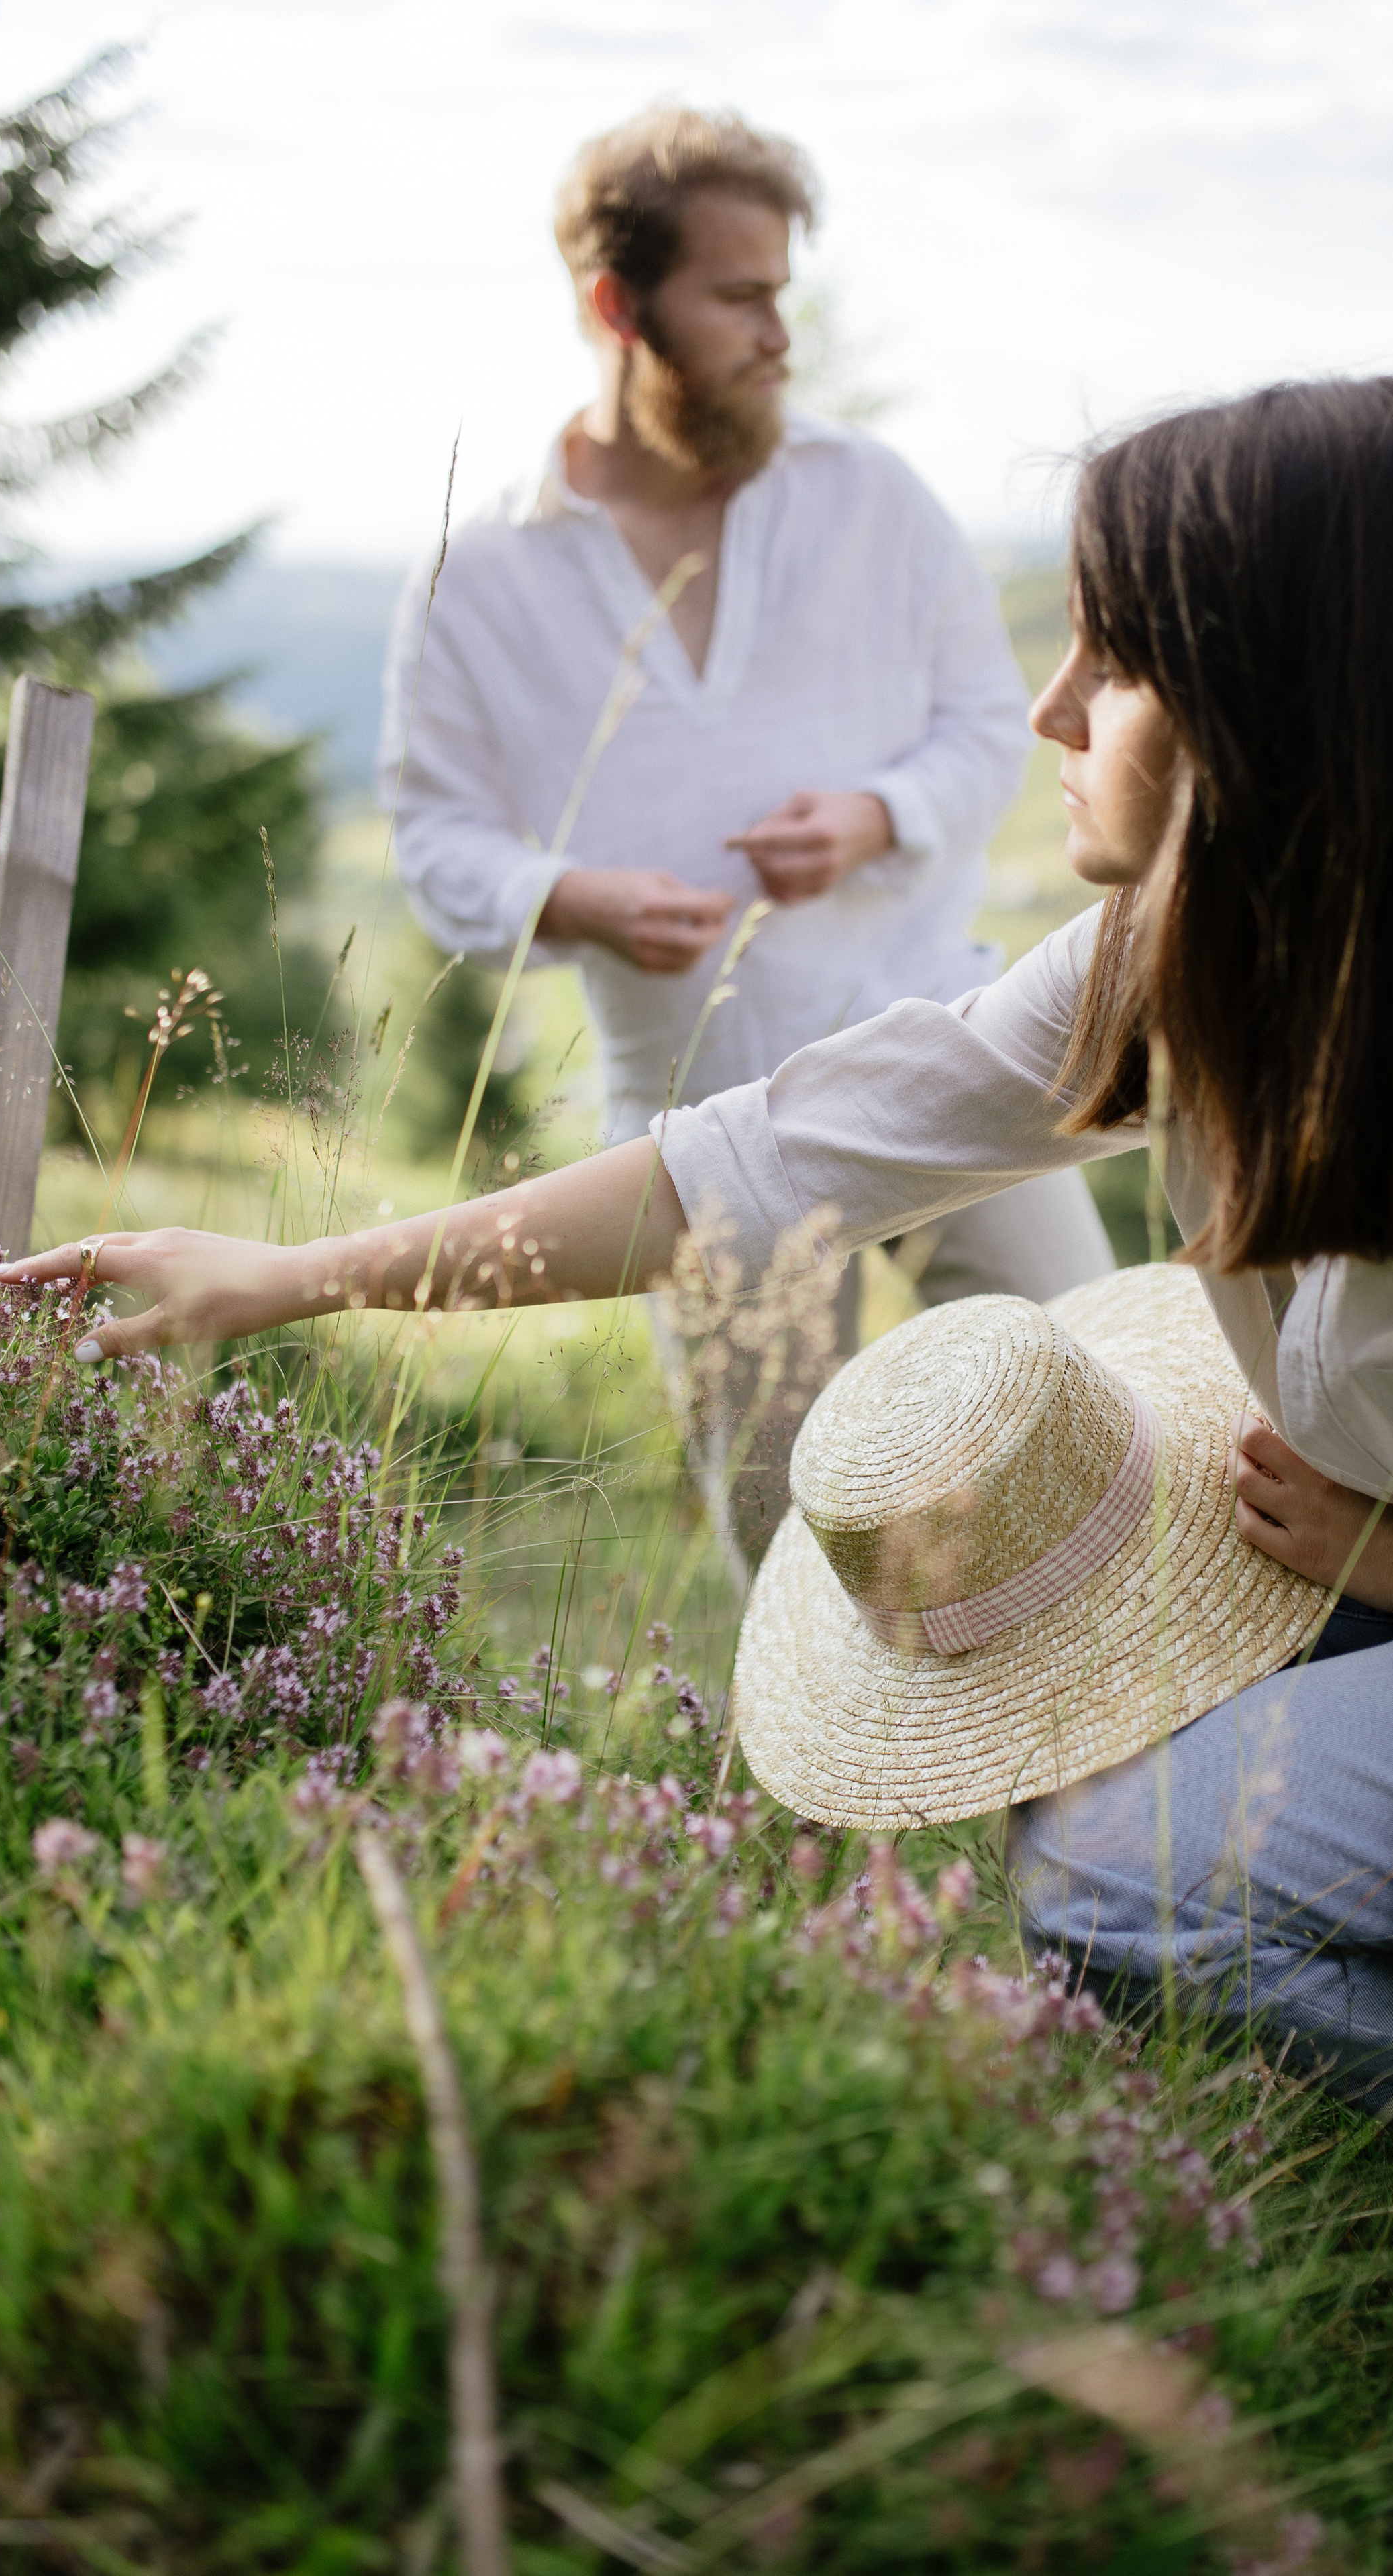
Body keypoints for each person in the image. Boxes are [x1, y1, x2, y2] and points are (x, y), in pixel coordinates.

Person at [14, 374, 1393, 2176]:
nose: (1050, 709)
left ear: (1282, 708)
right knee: (1081, 1744)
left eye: (1112, 665)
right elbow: (763, 1162)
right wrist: (296, 1277)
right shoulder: (1210, 936)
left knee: (1116, 1898)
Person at [377, 103, 1111, 1574]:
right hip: (698, 1133)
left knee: (1104, 1416)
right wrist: (562, 895)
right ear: (615, 304)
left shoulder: (872, 497)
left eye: (782, 291)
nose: (779, 332)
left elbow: (999, 727)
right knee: (793, 1552)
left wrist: (872, 813)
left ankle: (1136, 1788)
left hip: (954, 1054)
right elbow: (432, 840)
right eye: (739, 296)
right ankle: (858, 1811)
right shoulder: (479, 569)